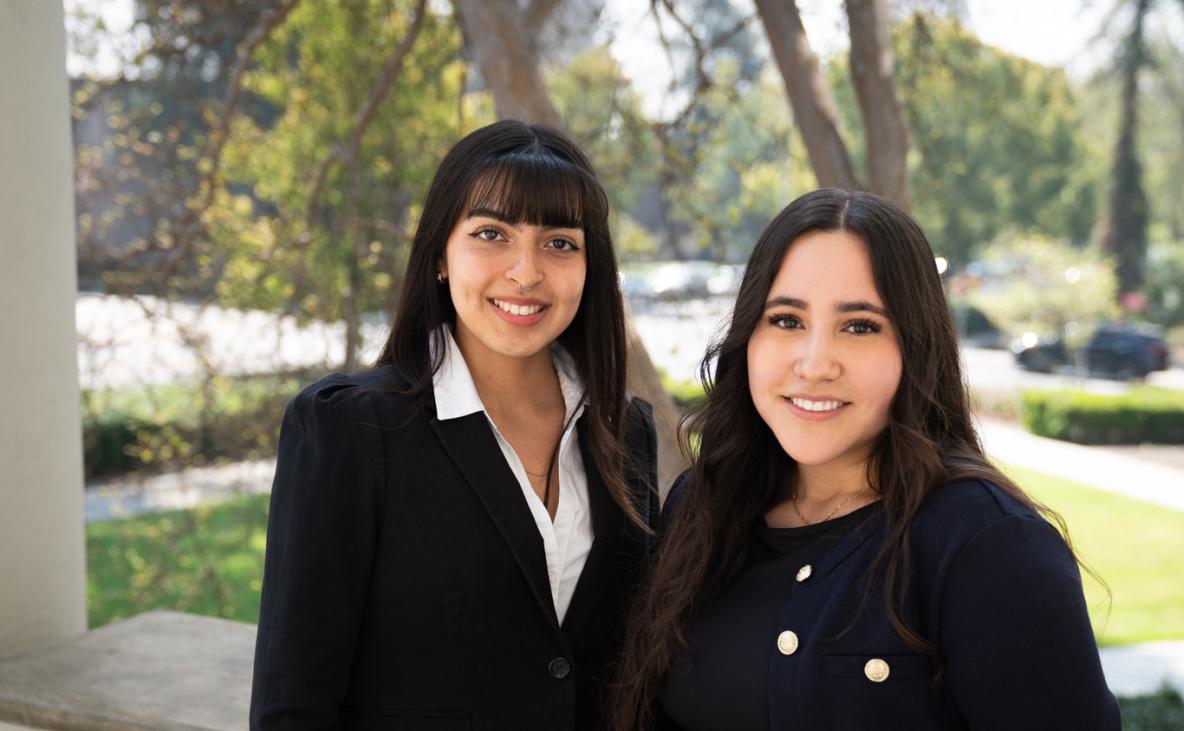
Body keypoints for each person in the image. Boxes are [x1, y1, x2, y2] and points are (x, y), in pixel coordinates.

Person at [612, 189, 1119, 730]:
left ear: (914, 349)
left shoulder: (988, 547)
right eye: (786, 320)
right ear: (748, 338)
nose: (814, 363)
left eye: (859, 326)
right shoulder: (701, 508)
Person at [250, 120, 659, 731]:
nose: (526, 272)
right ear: (440, 254)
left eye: (559, 242)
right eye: (491, 234)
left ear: (589, 265)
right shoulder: (348, 430)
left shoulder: (625, 431)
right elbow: (293, 706)